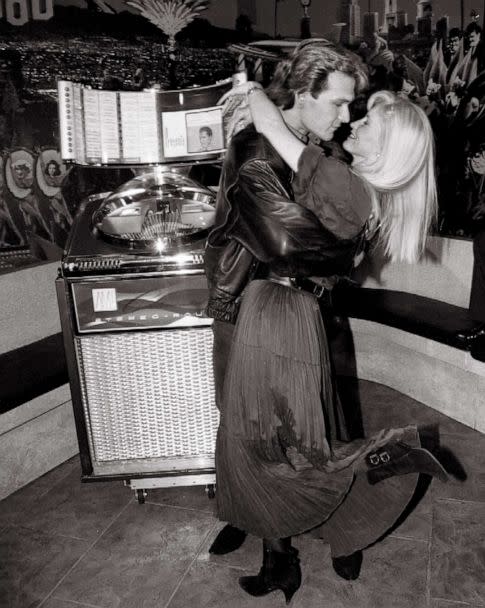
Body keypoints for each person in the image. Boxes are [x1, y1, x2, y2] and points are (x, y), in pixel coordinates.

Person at [205, 40, 448, 601]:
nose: (347, 119)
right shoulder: (265, 149)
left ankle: (320, 525)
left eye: (356, 113)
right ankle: (272, 516)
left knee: (296, 433)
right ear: (304, 94)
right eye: (341, 105)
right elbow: (274, 233)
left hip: (286, 314)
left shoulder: (318, 163)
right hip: (247, 303)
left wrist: (260, 105)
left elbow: (289, 240)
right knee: (252, 425)